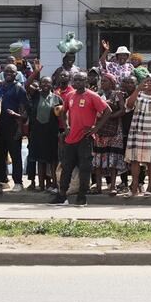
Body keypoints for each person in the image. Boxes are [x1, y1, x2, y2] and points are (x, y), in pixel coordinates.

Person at [52, 72, 111, 206]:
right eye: (76, 80)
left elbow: (107, 111)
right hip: (71, 138)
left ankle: (82, 196)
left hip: (85, 138)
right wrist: (66, 127)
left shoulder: (92, 96)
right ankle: (62, 195)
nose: (77, 82)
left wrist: (95, 128)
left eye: (81, 80)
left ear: (86, 82)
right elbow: (62, 111)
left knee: (85, 167)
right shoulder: (69, 95)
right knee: (66, 167)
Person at [125, 73, 151, 197]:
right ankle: (134, 187)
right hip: (137, 131)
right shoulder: (138, 94)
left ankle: (149, 188)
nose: (149, 82)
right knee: (135, 160)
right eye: (147, 80)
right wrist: (138, 88)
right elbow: (129, 105)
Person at [91, 74, 127, 196]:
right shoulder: (97, 94)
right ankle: (99, 186)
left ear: (112, 82)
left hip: (114, 130)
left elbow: (123, 110)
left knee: (113, 159)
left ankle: (112, 186)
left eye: (106, 81)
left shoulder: (117, 94)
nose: (103, 83)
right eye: (102, 80)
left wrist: (109, 116)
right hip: (100, 129)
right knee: (98, 159)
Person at [25, 75, 61, 191]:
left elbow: (63, 116)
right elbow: (26, 84)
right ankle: (41, 185)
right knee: (40, 160)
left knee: (53, 160)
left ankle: (55, 184)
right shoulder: (35, 95)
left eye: (48, 83)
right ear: (40, 85)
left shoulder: (57, 98)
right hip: (37, 133)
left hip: (51, 133)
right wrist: (35, 72)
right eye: (43, 83)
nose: (45, 85)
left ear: (52, 85)